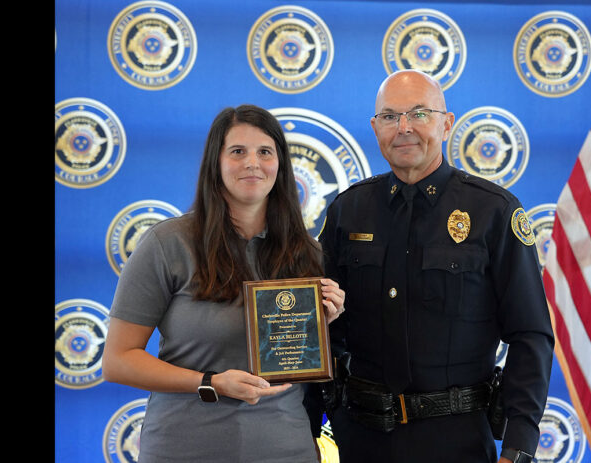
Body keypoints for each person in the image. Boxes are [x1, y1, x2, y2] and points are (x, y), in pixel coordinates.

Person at [315, 70, 554, 463]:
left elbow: (530, 334)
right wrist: (311, 423)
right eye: (390, 117)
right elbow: (324, 328)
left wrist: (519, 443)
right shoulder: (348, 211)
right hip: (359, 437)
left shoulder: (493, 211)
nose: (404, 128)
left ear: (447, 124)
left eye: (419, 113)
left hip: (456, 439)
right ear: (375, 128)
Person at [102, 104, 345, 463]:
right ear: (215, 163)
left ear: (280, 165)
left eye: (265, 152)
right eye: (237, 152)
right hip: (184, 450)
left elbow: (310, 369)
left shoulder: (309, 255)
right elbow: (118, 361)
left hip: (286, 449)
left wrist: (326, 321)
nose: (252, 163)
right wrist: (209, 382)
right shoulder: (168, 244)